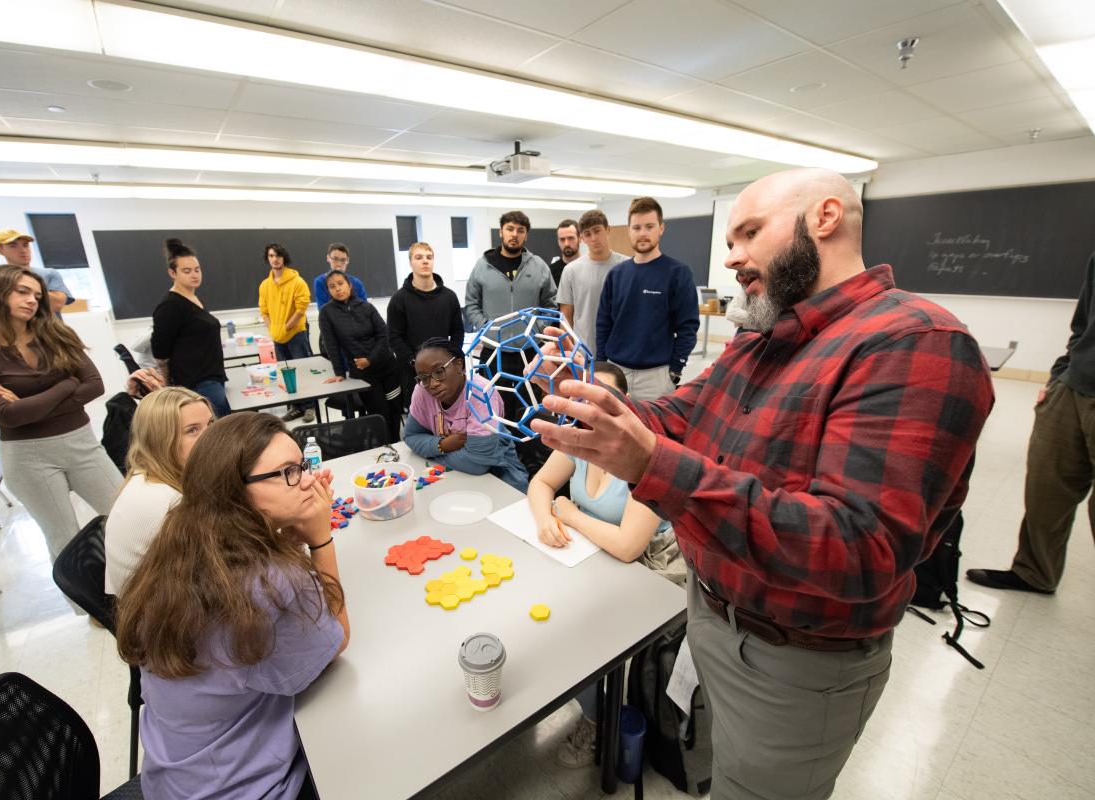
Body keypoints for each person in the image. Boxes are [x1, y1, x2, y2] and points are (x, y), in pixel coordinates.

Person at [528, 168, 995, 800]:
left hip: (796, 661)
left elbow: (860, 550)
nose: (731, 256)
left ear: (824, 218)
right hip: (711, 611)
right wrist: (583, 401)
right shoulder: (763, 339)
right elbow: (677, 418)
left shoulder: (916, 344)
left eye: (750, 232)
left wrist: (653, 467)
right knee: (716, 762)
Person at [115, 412, 348, 800]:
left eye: (302, 466)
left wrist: (286, 537)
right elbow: (336, 640)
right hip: (246, 789)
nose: (307, 480)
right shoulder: (271, 581)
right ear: (235, 490)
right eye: (288, 472)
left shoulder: (180, 538)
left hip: (173, 781)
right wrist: (320, 539)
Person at [527, 362, 683, 766]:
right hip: (597, 560)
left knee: (581, 636)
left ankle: (598, 719)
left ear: (626, 408)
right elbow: (540, 483)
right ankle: (589, 705)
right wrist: (546, 517)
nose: (591, 410)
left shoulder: (640, 454)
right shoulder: (578, 443)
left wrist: (571, 513)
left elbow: (630, 545)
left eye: (605, 400)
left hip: (651, 571)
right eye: (583, 400)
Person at [0, 265, 123, 566]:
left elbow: (94, 385)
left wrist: (28, 405)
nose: (32, 300)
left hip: (82, 443)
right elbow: (9, 415)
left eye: (37, 295)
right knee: (65, 539)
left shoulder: (55, 333)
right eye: (22, 291)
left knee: (126, 514)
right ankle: (92, 611)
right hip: (28, 457)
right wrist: (67, 384)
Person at [967, 250, 1095, 594]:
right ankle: (1035, 572)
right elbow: (1082, 326)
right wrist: (1059, 377)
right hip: (1075, 384)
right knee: (1046, 491)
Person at [465, 210, 556, 474]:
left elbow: (549, 305)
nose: (514, 234)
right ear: (501, 232)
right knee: (494, 411)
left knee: (529, 411)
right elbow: (471, 304)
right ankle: (499, 465)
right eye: (510, 229)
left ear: (526, 234)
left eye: (520, 230)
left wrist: (536, 328)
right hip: (494, 354)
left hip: (530, 353)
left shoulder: (538, 265)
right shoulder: (483, 265)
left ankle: (531, 465)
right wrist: (486, 328)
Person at [104, 387, 214, 595]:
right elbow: (215, 573)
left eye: (210, 424)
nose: (210, 437)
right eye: (192, 430)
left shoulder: (147, 475)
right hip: (165, 614)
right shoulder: (167, 501)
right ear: (162, 439)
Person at [595, 197, 699, 401]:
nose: (642, 233)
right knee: (611, 430)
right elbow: (603, 323)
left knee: (651, 431)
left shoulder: (677, 273)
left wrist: (675, 371)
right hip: (615, 372)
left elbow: (688, 327)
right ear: (629, 230)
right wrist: (601, 365)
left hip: (656, 378)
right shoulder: (616, 275)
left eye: (649, 226)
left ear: (661, 228)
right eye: (637, 227)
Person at [403, 338, 528, 492]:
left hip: (500, 478)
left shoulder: (481, 393)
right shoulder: (422, 391)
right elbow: (410, 436)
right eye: (423, 378)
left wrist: (428, 452)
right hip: (454, 479)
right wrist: (442, 445)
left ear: (459, 365)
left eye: (438, 372)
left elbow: (478, 465)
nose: (432, 384)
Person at [319, 270, 402, 442]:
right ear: (328, 291)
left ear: (349, 285)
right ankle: (385, 448)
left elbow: (383, 335)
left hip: (388, 367)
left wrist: (370, 359)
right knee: (380, 414)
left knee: (395, 409)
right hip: (364, 374)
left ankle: (396, 444)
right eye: (332, 286)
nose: (338, 289)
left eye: (340, 284)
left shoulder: (366, 307)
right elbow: (331, 345)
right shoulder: (327, 313)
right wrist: (339, 373)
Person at [151, 238, 230, 418]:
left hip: (212, 377)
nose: (194, 275)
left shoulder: (195, 299)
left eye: (197, 270)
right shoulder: (170, 306)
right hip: (197, 383)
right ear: (172, 272)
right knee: (219, 432)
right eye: (187, 271)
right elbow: (160, 352)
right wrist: (169, 385)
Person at [386, 242, 464, 410]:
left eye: (429, 257)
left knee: (449, 416)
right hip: (414, 374)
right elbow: (394, 337)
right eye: (419, 257)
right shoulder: (399, 300)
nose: (425, 261)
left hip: (444, 371)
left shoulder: (449, 297)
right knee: (421, 420)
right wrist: (415, 362)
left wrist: (450, 360)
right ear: (410, 262)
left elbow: (458, 331)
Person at [556, 209, 630, 354]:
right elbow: (566, 317)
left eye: (597, 231)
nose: (594, 238)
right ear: (582, 238)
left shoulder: (627, 266)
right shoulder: (571, 270)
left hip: (622, 351)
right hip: (584, 352)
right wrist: (567, 353)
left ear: (608, 230)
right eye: (588, 234)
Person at [259, 242, 315, 424]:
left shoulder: (297, 282)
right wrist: (273, 329)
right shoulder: (265, 285)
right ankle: (296, 407)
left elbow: (301, 308)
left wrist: (285, 328)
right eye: (271, 256)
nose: (274, 259)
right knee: (286, 373)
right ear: (267, 259)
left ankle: (309, 407)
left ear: (284, 258)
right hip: (277, 337)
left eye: (278, 255)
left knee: (301, 371)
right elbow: (264, 310)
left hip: (296, 335)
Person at [0, 228, 73, 315]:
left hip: (48, 327)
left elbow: (57, 304)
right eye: (13, 246)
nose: (23, 250)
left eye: (25, 245)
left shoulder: (49, 274)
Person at [313, 242, 367, 310]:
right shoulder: (320, 282)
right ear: (328, 258)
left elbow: (365, 309)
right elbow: (324, 311)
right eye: (335, 259)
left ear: (347, 260)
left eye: (343, 260)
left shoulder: (356, 283)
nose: (339, 264)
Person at [549, 219, 581, 289]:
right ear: (558, 242)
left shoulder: (590, 267)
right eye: (562, 239)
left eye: (571, 238)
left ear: (580, 238)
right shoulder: (550, 272)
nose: (566, 244)